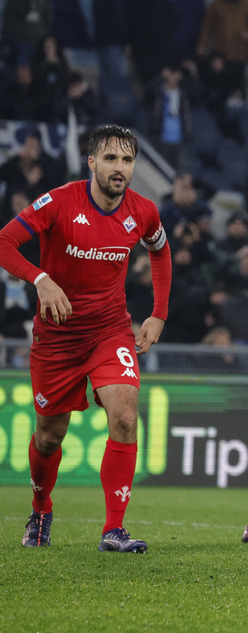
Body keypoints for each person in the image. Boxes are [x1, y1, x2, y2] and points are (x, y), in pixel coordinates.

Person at [0, 124, 172, 552]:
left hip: (109, 330)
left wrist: (158, 314)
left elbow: (160, 251)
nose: (120, 168)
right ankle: (41, 508)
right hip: (56, 339)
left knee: (126, 418)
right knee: (49, 436)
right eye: (111, 159)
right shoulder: (59, 202)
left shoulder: (144, 211)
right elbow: (4, 241)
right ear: (91, 162)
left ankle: (113, 530)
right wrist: (40, 278)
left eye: (127, 160)